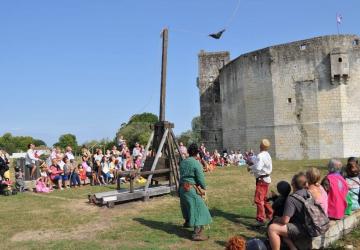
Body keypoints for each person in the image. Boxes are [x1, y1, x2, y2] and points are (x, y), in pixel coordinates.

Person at [268, 172, 310, 250]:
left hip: (303, 229)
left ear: (293, 184)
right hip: (310, 225)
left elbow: (285, 221)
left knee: (272, 228)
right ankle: (293, 247)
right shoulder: (308, 192)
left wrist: (277, 219)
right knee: (284, 229)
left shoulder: (291, 199)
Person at [179, 143, 212, 241]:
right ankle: (197, 234)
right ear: (197, 153)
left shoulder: (183, 162)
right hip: (190, 190)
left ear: (189, 152)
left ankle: (187, 222)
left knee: (188, 206)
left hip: (182, 189)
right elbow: (200, 178)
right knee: (200, 209)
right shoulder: (196, 163)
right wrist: (204, 187)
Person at [247, 139, 273, 225]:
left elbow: (258, 167)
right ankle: (270, 215)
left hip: (262, 180)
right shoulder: (267, 155)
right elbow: (259, 163)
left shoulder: (261, 155)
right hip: (266, 179)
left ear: (260, 146)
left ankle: (261, 219)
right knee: (264, 199)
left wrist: (250, 168)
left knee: (258, 200)